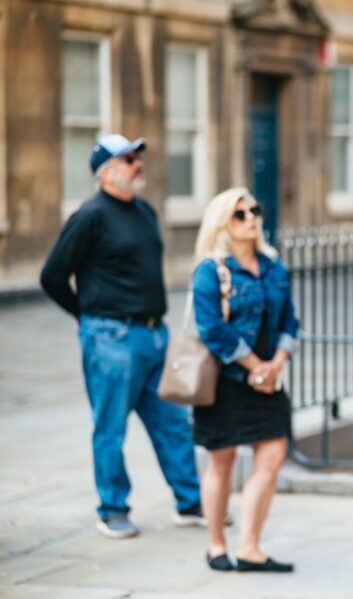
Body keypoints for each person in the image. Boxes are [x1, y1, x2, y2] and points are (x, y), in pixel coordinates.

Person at [40, 134, 202, 539]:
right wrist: (84, 315)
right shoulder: (90, 215)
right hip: (111, 337)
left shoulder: (144, 211)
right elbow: (52, 275)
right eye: (129, 159)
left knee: (173, 424)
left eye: (138, 157)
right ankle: (112, 509)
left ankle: (190, 502)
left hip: (153, 336)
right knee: (110, 427)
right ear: (106, 171)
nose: (138, 164)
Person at [191, 187, 299, 573]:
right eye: (240, 214)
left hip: (269, 379)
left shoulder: (273, 266)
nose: (251, 217)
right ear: (223, 222)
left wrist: (276, 364)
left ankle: (250, 547)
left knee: (271, 455)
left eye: (255, 209)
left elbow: (290, 320)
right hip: (225, 380)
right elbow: (212, 329)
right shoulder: (210, 270)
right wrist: (255, 366)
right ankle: (216, 544)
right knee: (222, 461)